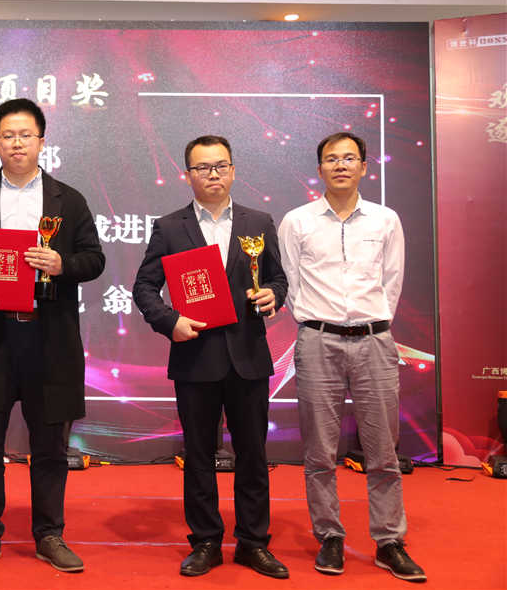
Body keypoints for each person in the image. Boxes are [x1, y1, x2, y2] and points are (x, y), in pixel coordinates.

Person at [0, 98, 105, 573]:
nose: (17, 143)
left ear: (42, 141)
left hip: (51, 339)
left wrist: (62, 264)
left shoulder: (69, 200)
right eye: (8, 135)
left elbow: (95, 258)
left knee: (50, 446)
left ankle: (50, 534)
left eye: (26, 135)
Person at [132, 135, 289, 579]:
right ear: (188, 175)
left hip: (248, 356)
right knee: (198, 455)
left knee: (253, 454)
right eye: (202, 167)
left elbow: (278, 279)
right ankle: (205, 541)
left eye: (220, 165)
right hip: (195, 356)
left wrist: (272, 296)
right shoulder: (170, 227)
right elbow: (144, 287)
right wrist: (170, 321)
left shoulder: (259, 221)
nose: (212, 174)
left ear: (233, 170)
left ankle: (253, 543)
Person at [278, 132, 425, 582]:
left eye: (349, 158)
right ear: (319, 169)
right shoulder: (297, 221)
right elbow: (290, 286)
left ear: (363, 167)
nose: (340, 165)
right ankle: (330, 535)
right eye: (331, 159)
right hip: (317, 340)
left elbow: (392, 281)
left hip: (375, 341)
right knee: (319, 450)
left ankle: (389, 541)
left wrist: (369, 322)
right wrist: (318, 320)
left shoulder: (385, 220)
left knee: (382, 450)